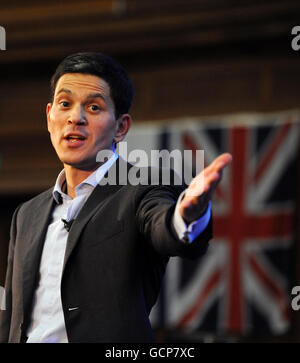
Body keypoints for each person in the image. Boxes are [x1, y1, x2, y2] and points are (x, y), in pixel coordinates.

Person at [0, 52, 232, 343]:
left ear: (121, 127)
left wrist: (187, 215)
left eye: (94, 107)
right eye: (65, 104)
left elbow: (164, 226)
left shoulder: (143, 187)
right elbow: (11, 320)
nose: (76, 118)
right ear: (49, 117)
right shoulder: (26, 214)